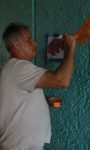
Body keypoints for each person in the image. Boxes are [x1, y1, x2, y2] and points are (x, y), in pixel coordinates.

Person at [0, 22, 76, 150]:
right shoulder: (19, 68)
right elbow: (62, 80)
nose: (35, 43)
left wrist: (41, 101)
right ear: (16, 45)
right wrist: (70, 47)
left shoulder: (12, 68)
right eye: (29, 39)